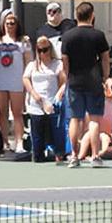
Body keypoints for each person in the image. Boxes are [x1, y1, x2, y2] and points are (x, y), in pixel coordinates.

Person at [58, 2, 111, 168]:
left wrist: (67, 76)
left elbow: (64, 60)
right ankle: (95, 156)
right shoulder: (98, 35)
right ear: (92, 15)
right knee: (94, 120)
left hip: (74, 81)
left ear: (76, 15)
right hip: (94, 81)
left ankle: (74, 156)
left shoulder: (67, 36)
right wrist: (105, 76)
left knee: (75, 119)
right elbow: (105, 58)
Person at [0, 10, 27, 155]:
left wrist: (26, 80)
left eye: (13, 23)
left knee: (17, 113)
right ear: (3, 24)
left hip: (17, 81)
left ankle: (19, 142)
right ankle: (4, 142)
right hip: (1, 81)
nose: (10, 25)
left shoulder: (23, 41)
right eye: (7, 23)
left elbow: (28, 61)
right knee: (2, 112)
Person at [24, 34, 64, 163]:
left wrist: (58, 96)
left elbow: (64, 82)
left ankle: (59, 154)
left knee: (55, 133)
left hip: (52, 102)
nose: (43, 53)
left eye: (45, 50)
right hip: (36, 103)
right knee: (37, 137)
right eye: (40, 50)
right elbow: (25, 79)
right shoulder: (32, 65)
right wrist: (33, 93)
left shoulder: (57, 64)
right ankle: (38, 156)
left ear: (50, 49)